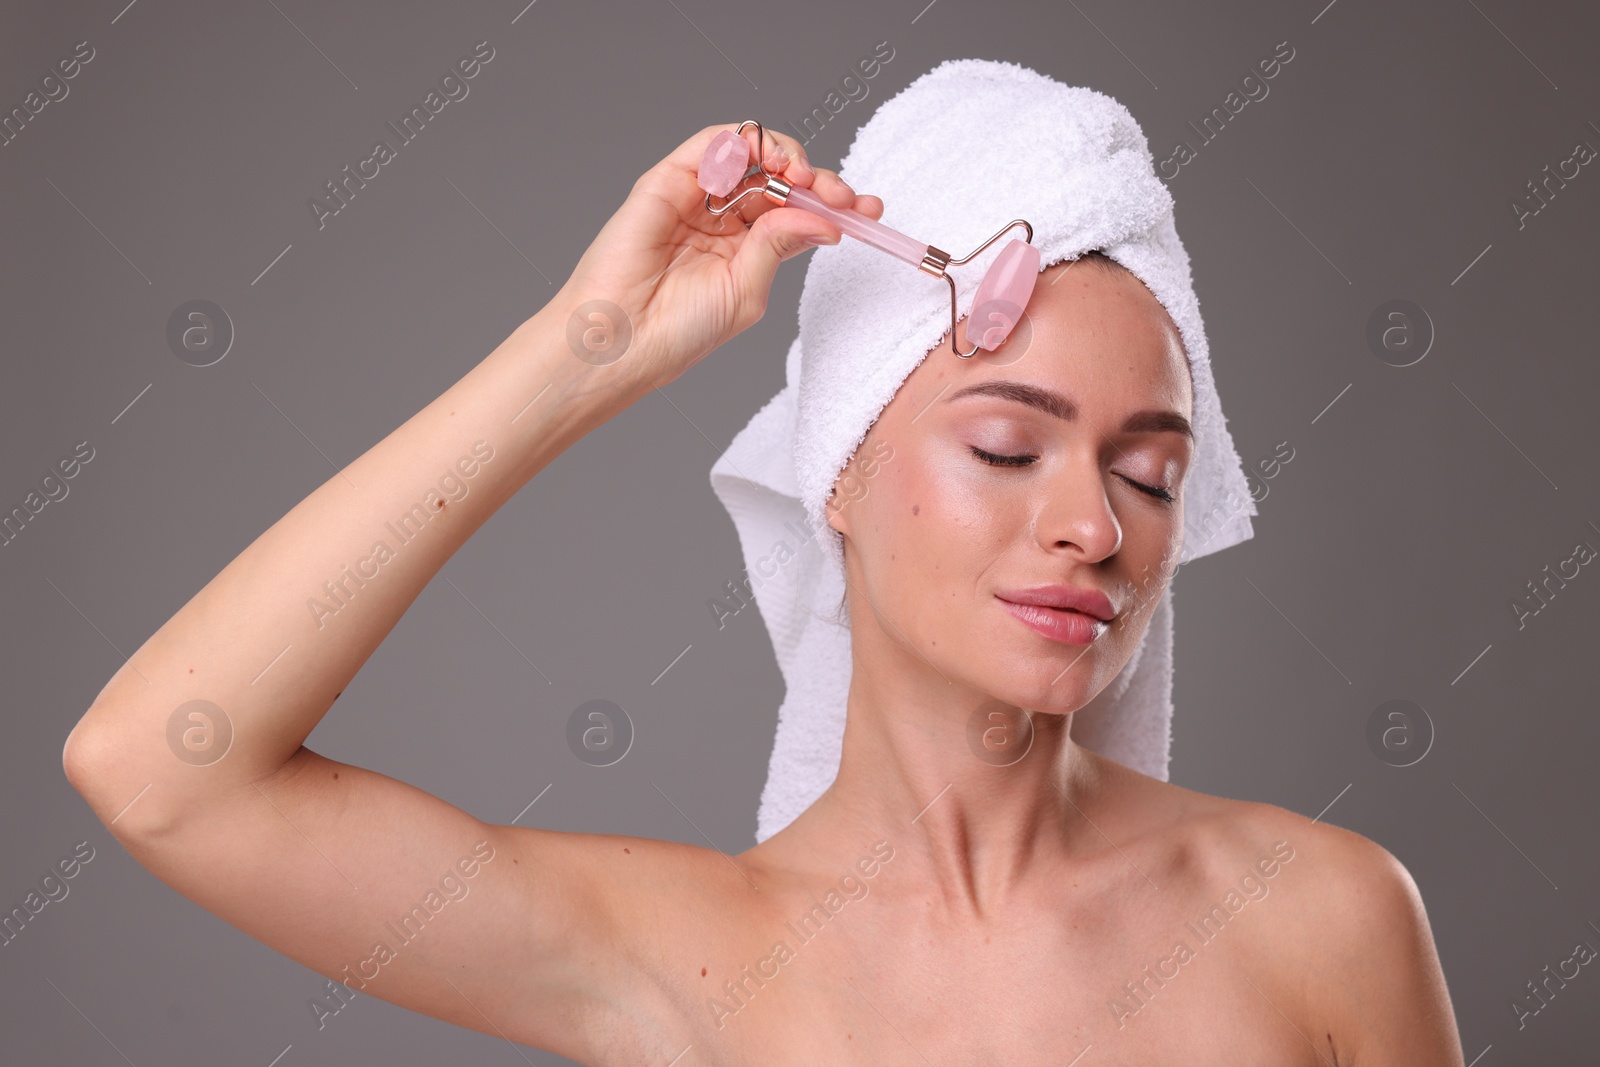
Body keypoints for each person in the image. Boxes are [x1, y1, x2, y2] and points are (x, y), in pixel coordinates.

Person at [63, 121, 1464, 1065]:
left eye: (1152, 476)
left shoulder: (1321, 919)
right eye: (1004, 445)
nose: (1093, 523)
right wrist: (586, 348)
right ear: (836, 475)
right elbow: (163, 767)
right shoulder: (687, 963)